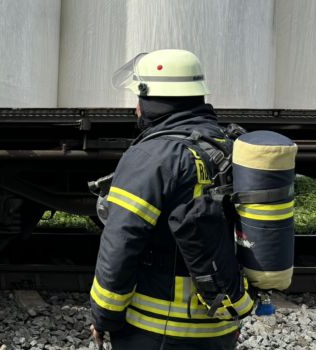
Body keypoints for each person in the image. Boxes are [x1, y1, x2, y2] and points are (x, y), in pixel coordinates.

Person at [89, 49, 253, 349]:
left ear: (152, 100)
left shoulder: (152, 157)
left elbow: (121, 243)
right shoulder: (226, 145)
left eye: (138, 99)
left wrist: (103, 316)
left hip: (158, 329)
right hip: (221, 324)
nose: (136, 109)